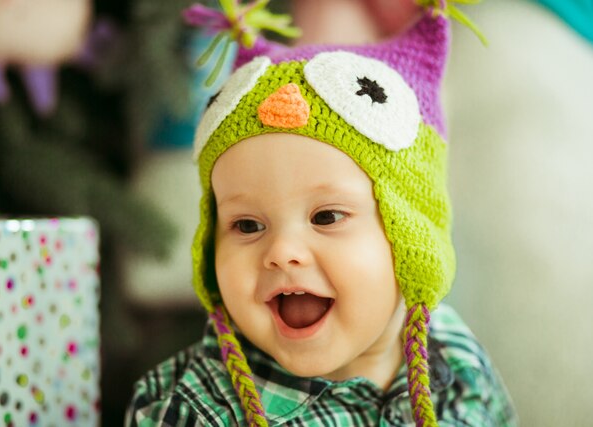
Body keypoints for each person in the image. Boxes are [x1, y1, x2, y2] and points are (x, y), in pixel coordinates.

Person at [125, 1, 517, 425]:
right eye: (247, 225)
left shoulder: (459, 368)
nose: (282, 251)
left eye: (326, 217)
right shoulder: (189, 407)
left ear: (413, 235)